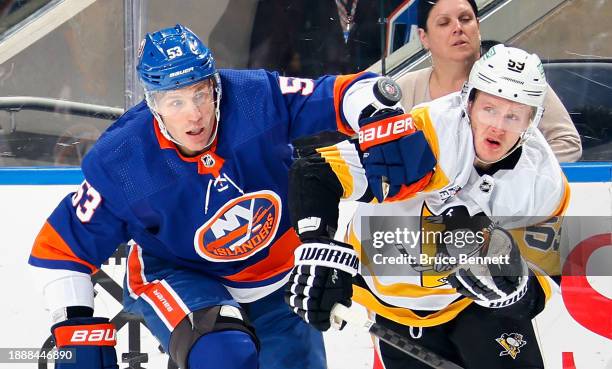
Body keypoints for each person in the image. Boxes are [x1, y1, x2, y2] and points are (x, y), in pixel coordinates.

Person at [28, 24, 433, 369]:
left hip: (279, 272)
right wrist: (72, 322)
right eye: (176, 101)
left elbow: (339, 93)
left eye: (201, 93)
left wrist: (378, 113)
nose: (194, 114)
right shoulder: (123, 160)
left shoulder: (256, 97)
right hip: (180, 273)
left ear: (215, 86)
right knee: (224, 354)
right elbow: (61, 248)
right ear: (153, 104)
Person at [285, 44, 569, 369]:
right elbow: (315, 171)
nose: (498, 126)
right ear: (469, 101)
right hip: (391, 298)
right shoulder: (426, 136)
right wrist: (318, 249)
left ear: (533, 120)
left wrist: (513, 289)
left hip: (469, 301)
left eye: (514, 116)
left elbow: (544, 280)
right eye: (489, 109)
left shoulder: (543, 181)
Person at [396, 0, 582, 162]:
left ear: (478, 26)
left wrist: (507, 172)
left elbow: (567, 143)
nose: (457, 28)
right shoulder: (406, 88)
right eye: (444, 23)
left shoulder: (520, 76)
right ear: (423, 37)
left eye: (466, 19)